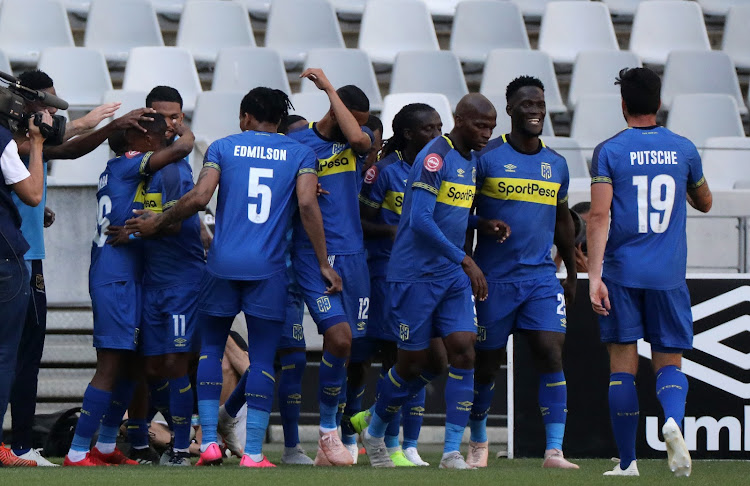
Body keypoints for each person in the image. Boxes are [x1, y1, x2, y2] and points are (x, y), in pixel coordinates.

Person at [125, 87, 341, 468]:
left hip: (221, 264)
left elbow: (199, 196)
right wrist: (324, 262)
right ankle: (254, 453)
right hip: (268, 269)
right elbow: (307, 204)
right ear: (278, 119)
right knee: (259, 359)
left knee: (210, 350)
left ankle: (208, 442)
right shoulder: (301, 154)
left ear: (244, 117)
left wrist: (158, 220)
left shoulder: (223, 147)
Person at [359, 93, 497, 469]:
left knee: (465, 349)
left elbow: (449, 211)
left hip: (450, 275)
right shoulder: (435, 157)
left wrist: (478, 225)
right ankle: (373, 431)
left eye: (491, 127)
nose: (486, 133)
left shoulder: (470, 160)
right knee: (411, 364)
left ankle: (452, 451)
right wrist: (466, 259)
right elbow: (419, 219)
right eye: (479, 125)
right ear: (460, 119)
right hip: (414, 274)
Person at [587, 67, 713, 477]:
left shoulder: (609, 151)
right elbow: (706, 201)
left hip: (622, 275)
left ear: (623, 104)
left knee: (622, 366)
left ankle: (627, 464)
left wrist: (594, 276)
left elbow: (599, 215)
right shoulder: (684, 149)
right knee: (669, 364)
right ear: (659, 103)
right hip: (668, 277)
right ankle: (672, 422)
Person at [63, 113, 195, 466]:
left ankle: (106, 446)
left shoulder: (114, 168)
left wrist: (136, 231)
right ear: (138, 140)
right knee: (109, 366)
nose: (156, 144)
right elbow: (184, 147)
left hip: (124, 274)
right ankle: (77, 452)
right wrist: (180, 129)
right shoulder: (130, 163)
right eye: (151, 138)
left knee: (131, 366)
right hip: (116, 276)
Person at [9, 70, 121, 466]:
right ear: (27, 103)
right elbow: (62, 149)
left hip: (22, 252)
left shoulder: (17, 141)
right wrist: (103, 126)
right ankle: (20, 446)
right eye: (48, 102)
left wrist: (38, 210)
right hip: (20, 262)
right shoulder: (16, 140)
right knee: (23, 355)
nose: (53, 111)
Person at [467, 76, 578, 470]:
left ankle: (554, 451)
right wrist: (467, 262)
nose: (535, 110)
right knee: (486, 361)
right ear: (510, 109)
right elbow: (461, 214)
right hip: (492, 280)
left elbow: (563, 220)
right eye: (527, 104)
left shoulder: (557, 164)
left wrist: (572, 273)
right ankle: (478, 439)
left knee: (550, 351)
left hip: (540, 280)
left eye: (540, 104)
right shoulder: (486, 158)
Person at [287, 69, 373, 466]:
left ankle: (339, 434)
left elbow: (357, 138)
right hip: (311, 257)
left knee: (354, 350)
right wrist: (300, 185)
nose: (361, 128)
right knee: (338, 339)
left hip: (355, 257)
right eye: (353, 117)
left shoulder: (359, 141)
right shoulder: (297, 144)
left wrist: (330, 90)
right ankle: (326, 431)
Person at [355, 103, 446, 467]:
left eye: (441, 128)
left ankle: (399, 439)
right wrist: (391, 230)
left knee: (423, 357)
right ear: (409, 134)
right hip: (387, 274)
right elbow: (360, 222)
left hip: (428, 274)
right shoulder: (383, 173)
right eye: (429, 129)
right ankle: (390, 444)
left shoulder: (441, 169)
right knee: (398, 356)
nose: (437, 136)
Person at [138, 86, 205, 466]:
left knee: (176, 365)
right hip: (151, 280)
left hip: (182, 280)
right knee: (150, 366)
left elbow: (175, 227)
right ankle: (177, 434)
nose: (169, 124)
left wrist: (141, 226)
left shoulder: (176, 169)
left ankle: (181, 448)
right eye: (162, 116)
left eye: (176, 117)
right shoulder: (142, 166)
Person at [0, 105, 51, 467]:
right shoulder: (2, 141)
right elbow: (33, 193)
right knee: (5, 356)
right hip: (4, 258)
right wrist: (36, 141)